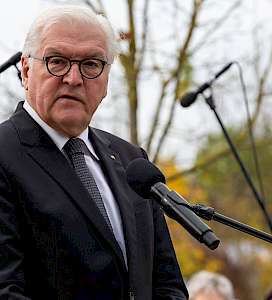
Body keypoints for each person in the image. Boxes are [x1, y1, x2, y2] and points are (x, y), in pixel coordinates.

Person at [0, 5, 188, 300]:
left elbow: (168, 285)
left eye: (90, 64)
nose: (73, 78)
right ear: (26, 70)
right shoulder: (4, 154)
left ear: (106, 80)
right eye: (57, 61)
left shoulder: (132, 161)